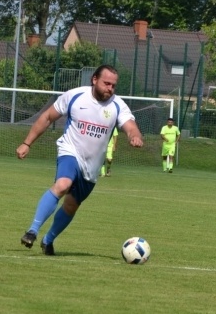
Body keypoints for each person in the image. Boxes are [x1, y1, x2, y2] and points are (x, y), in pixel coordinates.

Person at [17, 65, 144, 255]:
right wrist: (27, 143)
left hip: (92, 167)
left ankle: (48, 240)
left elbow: (131, 126)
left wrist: (135, 136)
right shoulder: (75, 96)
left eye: (113, 85)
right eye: (106, 83)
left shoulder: (118, 105)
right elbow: (47, 117)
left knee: (71, 205)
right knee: (62, 184)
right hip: (70, 150)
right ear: (94, 79)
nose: (110, 88)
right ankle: (32, 231)